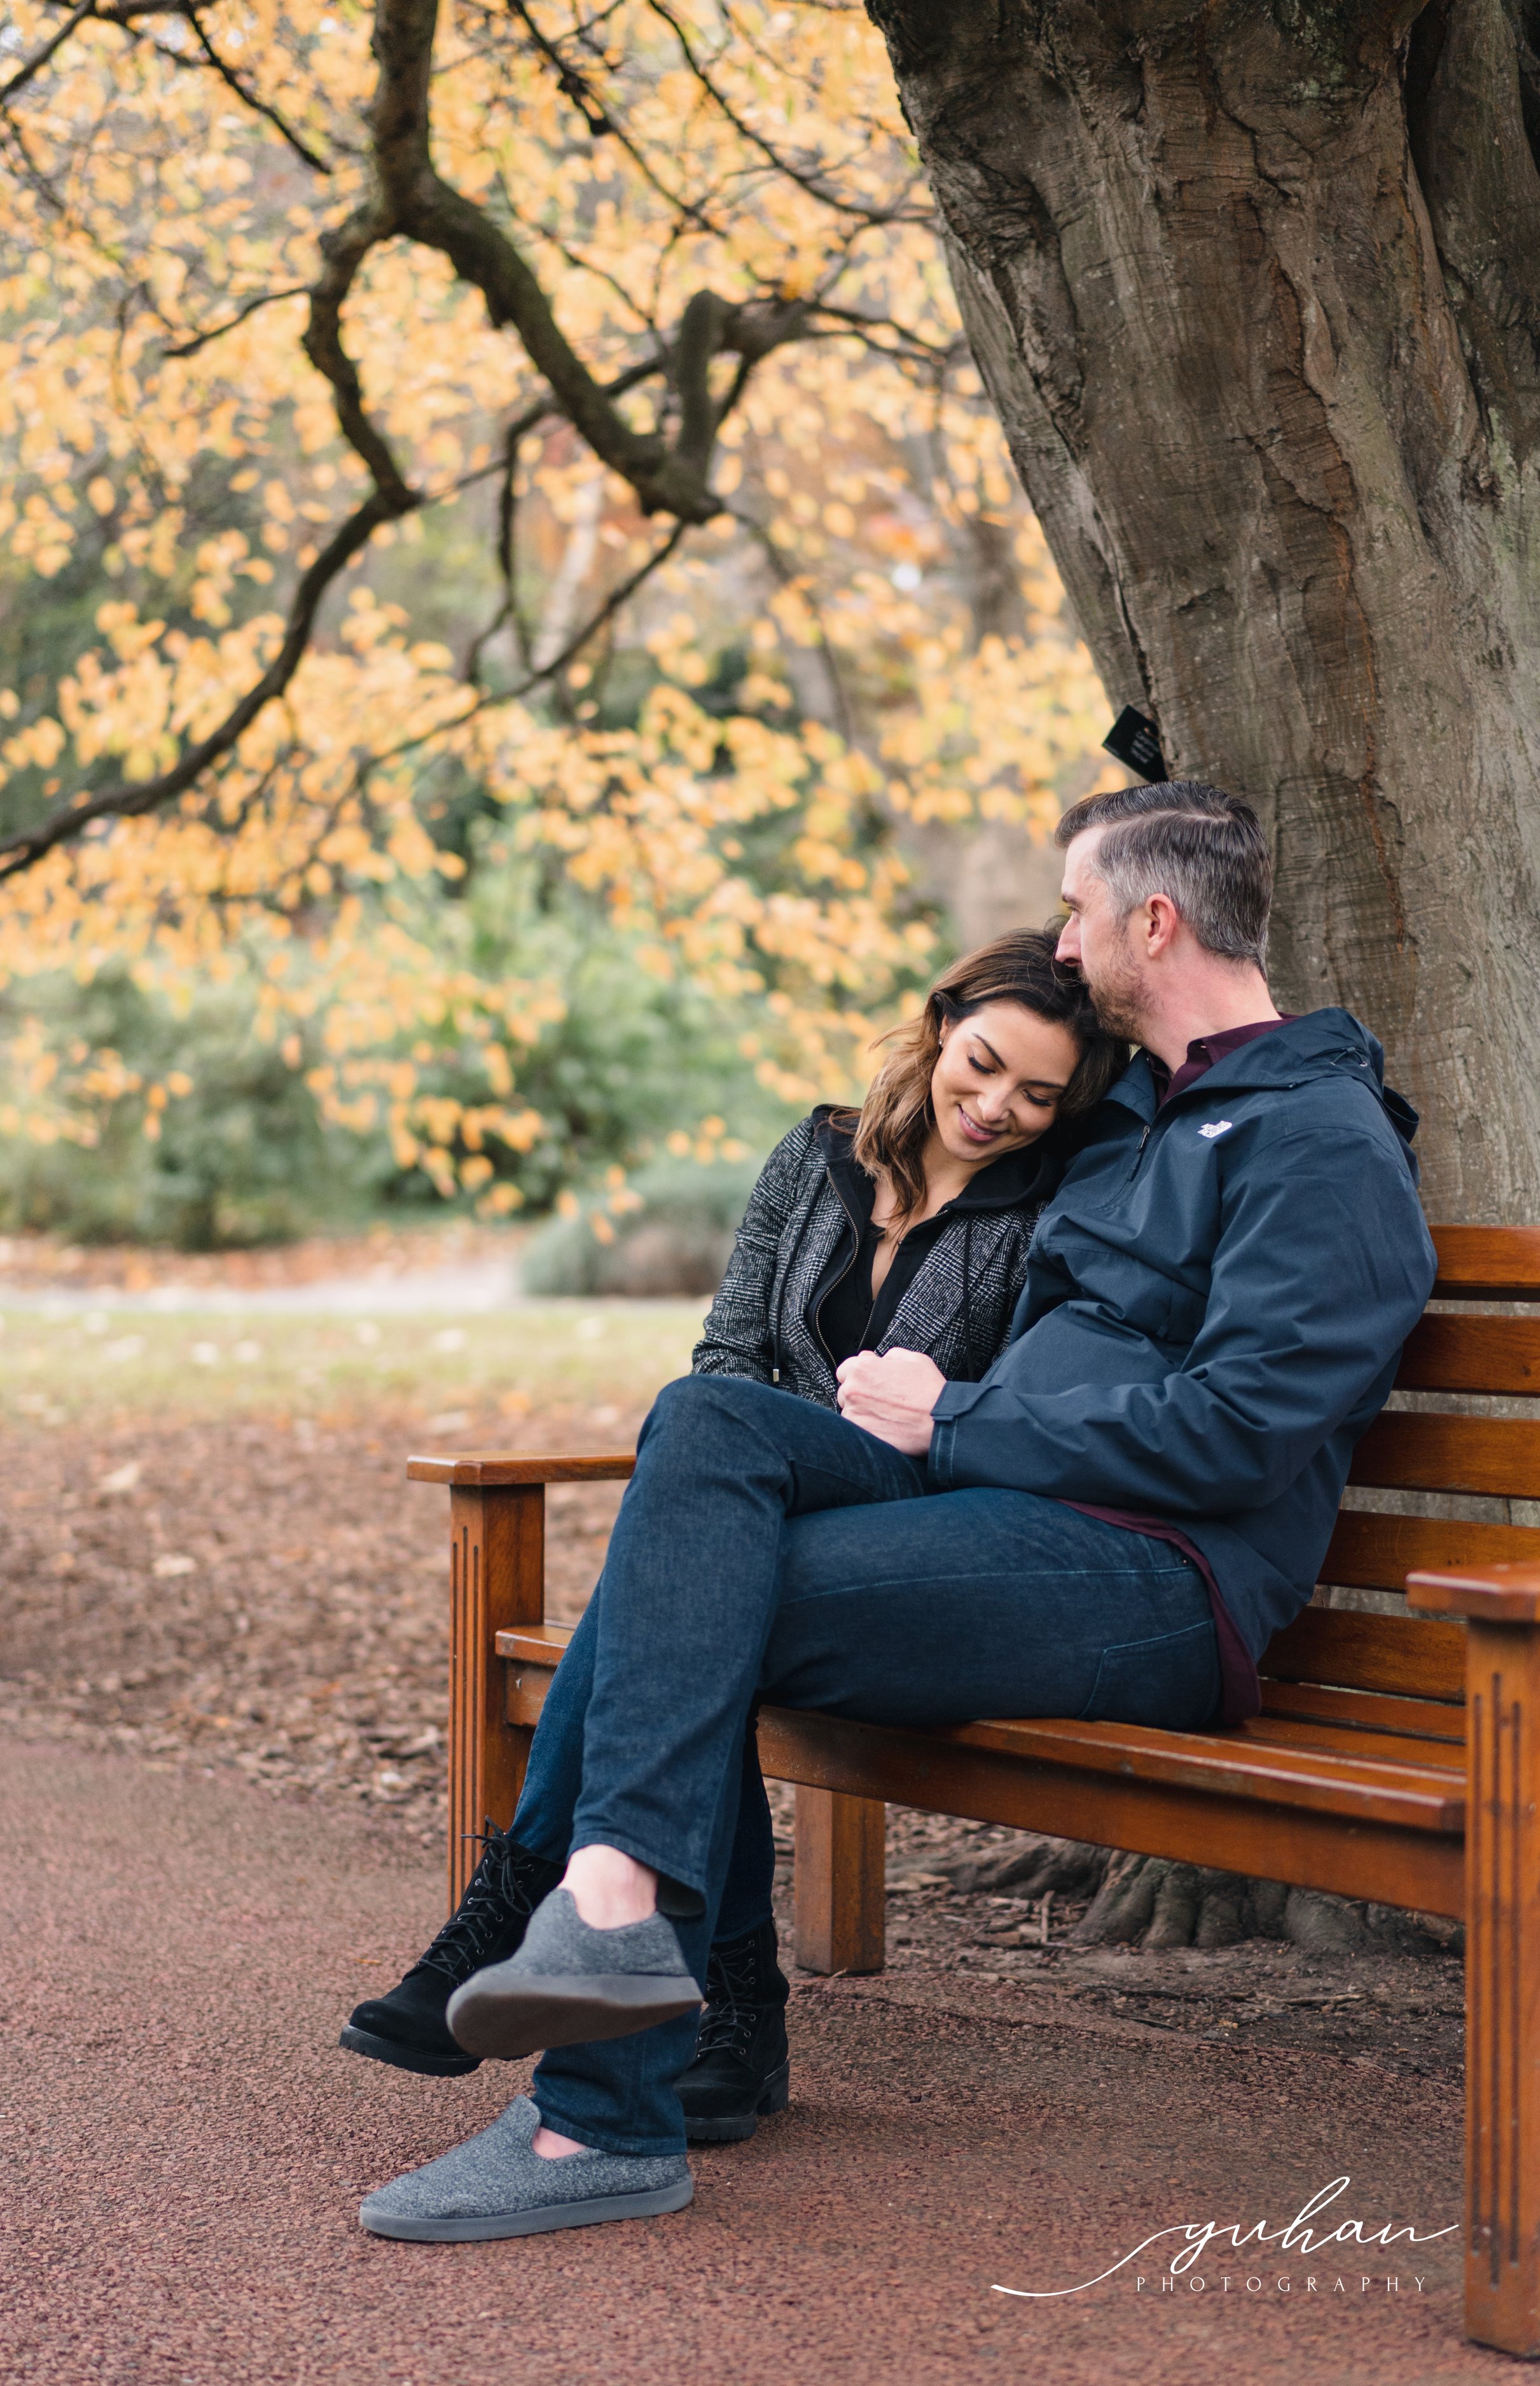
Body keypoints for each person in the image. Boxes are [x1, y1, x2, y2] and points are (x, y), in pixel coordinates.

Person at [354, 779, 1439, 2245]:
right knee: (706, 1424)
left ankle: (598, 2095)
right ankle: (613, 1919)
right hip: (987, 1501)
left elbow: (1243, 1436)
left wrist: (962, 1414)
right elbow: (949, 1138)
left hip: (1155, 1581)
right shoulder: (1137, 1112)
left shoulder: (1315, 1141)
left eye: (1074, 908)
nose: (1060, 941)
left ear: (1153, 920)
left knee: (692, 1600)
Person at [340, 932, 1128, 2133]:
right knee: (707, 1516)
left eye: (1038, 1095)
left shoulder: (1051, 1201)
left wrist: (887, 1425)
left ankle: (521, 1901)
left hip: (924, 1514)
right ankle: (737, 2010)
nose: (998, 1108)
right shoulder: (810, 1160)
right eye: (983, 1065)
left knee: (699, 1509)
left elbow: (1016, 1405)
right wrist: (770, 1458)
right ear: (939, 1022)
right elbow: (727, 1351)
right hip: (765, 1488)